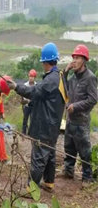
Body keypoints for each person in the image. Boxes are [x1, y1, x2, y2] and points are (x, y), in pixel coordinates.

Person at [6, 42, 66, 192]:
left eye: (42, 62)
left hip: (44, 126)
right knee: (50, 154)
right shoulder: (59, 77)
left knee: (38, 158)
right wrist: (30, 103)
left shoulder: (50, 79)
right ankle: (49, 183)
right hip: (52, 125)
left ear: (46, 62)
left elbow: (35, 92)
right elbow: (46, 99)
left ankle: (30, 189)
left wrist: (16, 87)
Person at [62, 44, 97, 186]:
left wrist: (75, 106)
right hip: (70, 120)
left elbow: (93, 99)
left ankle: (87, 177)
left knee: (84, 150)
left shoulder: (90, 78)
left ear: (84, 60)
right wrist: (65, 72)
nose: (74, 61)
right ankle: (68, 171)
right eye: (73, 58)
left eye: (77, 58)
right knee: (69, 147)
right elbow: (64, 88)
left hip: (81, 121)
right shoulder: (73, 77)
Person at [21, 69, 37, 134]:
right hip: (26, 106)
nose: (31, 78)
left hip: (33, 106)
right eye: (30, 76)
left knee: (32, 120)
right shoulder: (25, 85)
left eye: (32, 77)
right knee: (25, 120)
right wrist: (23, 103)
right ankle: (23, 133)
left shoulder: (36, 85)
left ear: (34, 77)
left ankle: (31, 133)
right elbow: (22, 95)